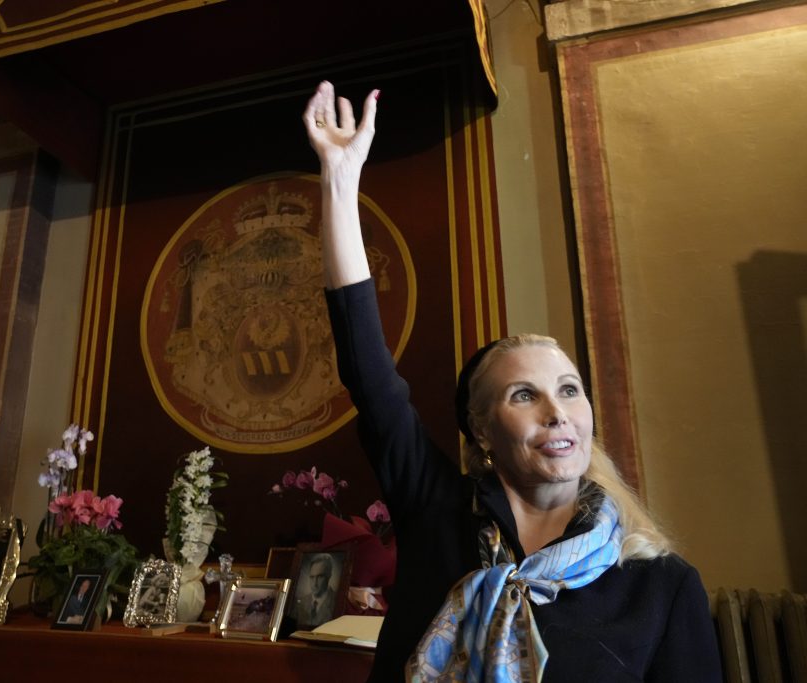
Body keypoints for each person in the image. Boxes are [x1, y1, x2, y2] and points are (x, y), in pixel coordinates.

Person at [302, 81, 722, 682]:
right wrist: (340, 184)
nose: (557, 411)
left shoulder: (660, 585)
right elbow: (371, 378)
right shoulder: (435, 513)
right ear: (482, 430)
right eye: (524, 395)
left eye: (569, 390)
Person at [295, 554, 338, 627]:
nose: (314, 583)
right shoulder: (301, 602)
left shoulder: (337, 602)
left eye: (320, 577)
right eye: (312, 577)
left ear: (329, 576)